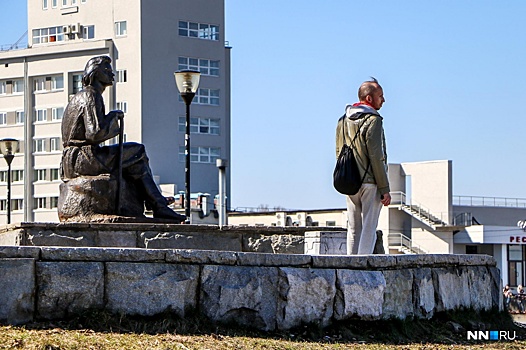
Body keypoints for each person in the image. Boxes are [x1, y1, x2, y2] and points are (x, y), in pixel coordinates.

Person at [60, 55, 185, 222]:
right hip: (84, 158)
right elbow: (94, 133)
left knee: (136, 163)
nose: (112, 74)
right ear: (95, 73)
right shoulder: (91, 95)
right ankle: (158, 206)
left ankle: (158, 205)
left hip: (74, 160)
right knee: (137, 150)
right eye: (107, 71)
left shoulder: (83, 96)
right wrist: (112, 118)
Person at [335, 77, 391, 254]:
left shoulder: (343, 120)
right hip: (370, 182)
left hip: (350, 181)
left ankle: (351, 265)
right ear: (369, 99)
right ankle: (364, 266)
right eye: (380, 96)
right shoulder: (374, 120)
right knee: (369, 227)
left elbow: (338, 151)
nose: (383, 100)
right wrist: (384, 188)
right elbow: (376, 156)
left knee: (353, 228)